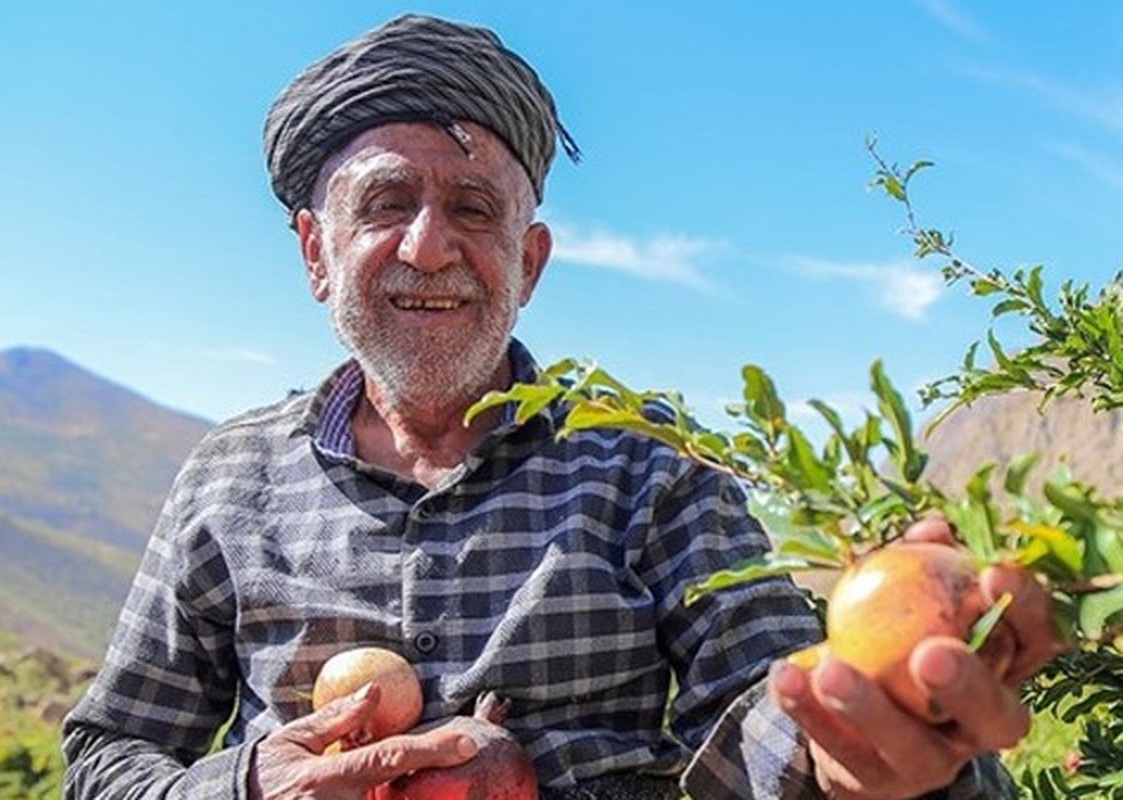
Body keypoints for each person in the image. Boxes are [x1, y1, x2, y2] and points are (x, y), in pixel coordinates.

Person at [61, 13, 1060, 800]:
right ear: (315, 252)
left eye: (473, 208)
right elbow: (109, 751)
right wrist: (248, 781)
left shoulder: (648, 458)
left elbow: (763, 704)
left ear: (527, 262)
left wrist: (853, 749)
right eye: (383, 204)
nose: (427, 247)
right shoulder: (229, 477)